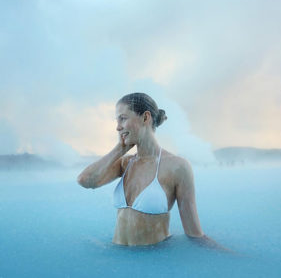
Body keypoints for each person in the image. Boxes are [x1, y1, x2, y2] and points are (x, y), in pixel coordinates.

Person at [77, 93, 216, 247]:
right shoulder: (125, 163)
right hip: (120, 260)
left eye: (123, 118)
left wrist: (227, 257)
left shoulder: (177, 167)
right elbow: (85, 181)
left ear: (145, 118)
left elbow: (194, 234)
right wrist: (119, 149)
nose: (117, 127)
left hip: (154, 261)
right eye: (117, 120)